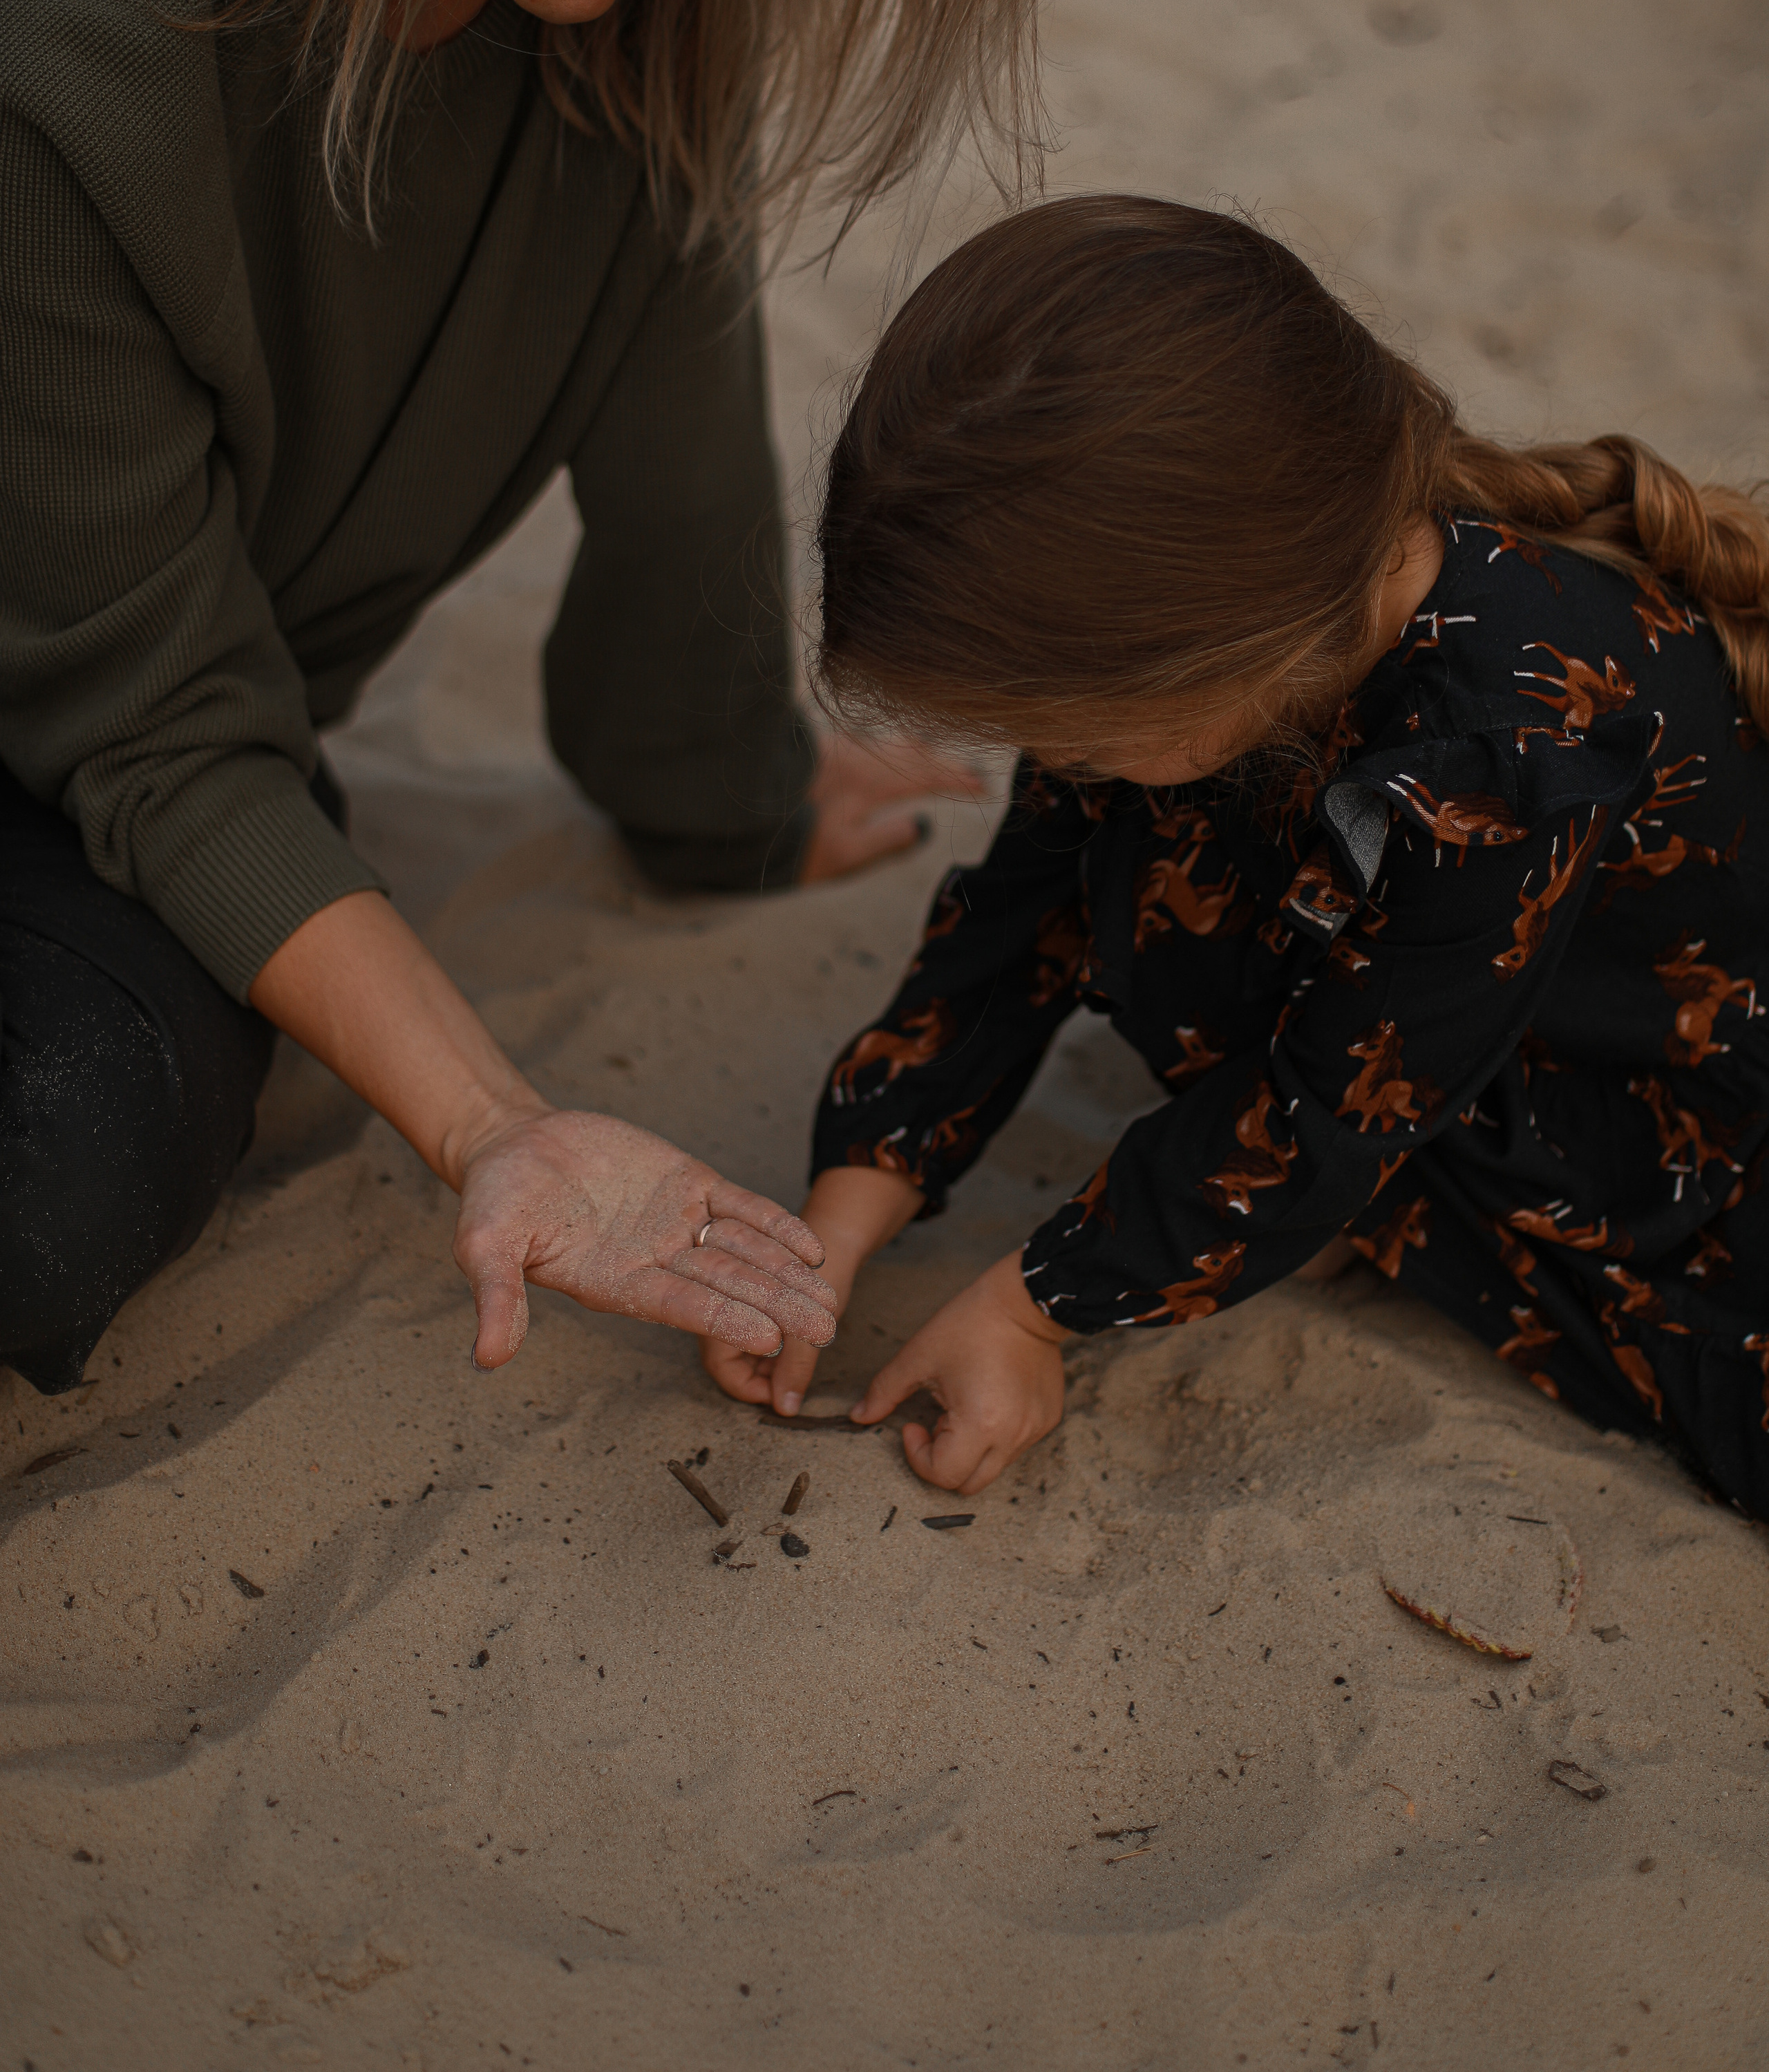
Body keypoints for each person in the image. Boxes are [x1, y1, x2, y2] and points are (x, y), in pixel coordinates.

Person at [0, 0, 1078, 1395]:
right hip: (124, 732)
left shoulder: (637, 35)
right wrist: (491, 1121)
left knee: (69, 1170)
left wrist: (743, 801)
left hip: (117, 804)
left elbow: (679, 511)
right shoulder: (52, 27)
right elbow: (153, 717)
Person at [701, 195, 1769, 1517]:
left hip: (1619, 1088)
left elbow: (1335, 1104)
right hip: (1425, 989)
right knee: (1130, 855)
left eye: (1058, 729)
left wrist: (1035, 1310)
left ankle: (1355, 1228)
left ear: (1219, 651)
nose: (1051, 759)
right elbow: (1020, 916)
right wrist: (843, 1213)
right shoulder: (1232, 619)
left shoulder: (1512, 741)